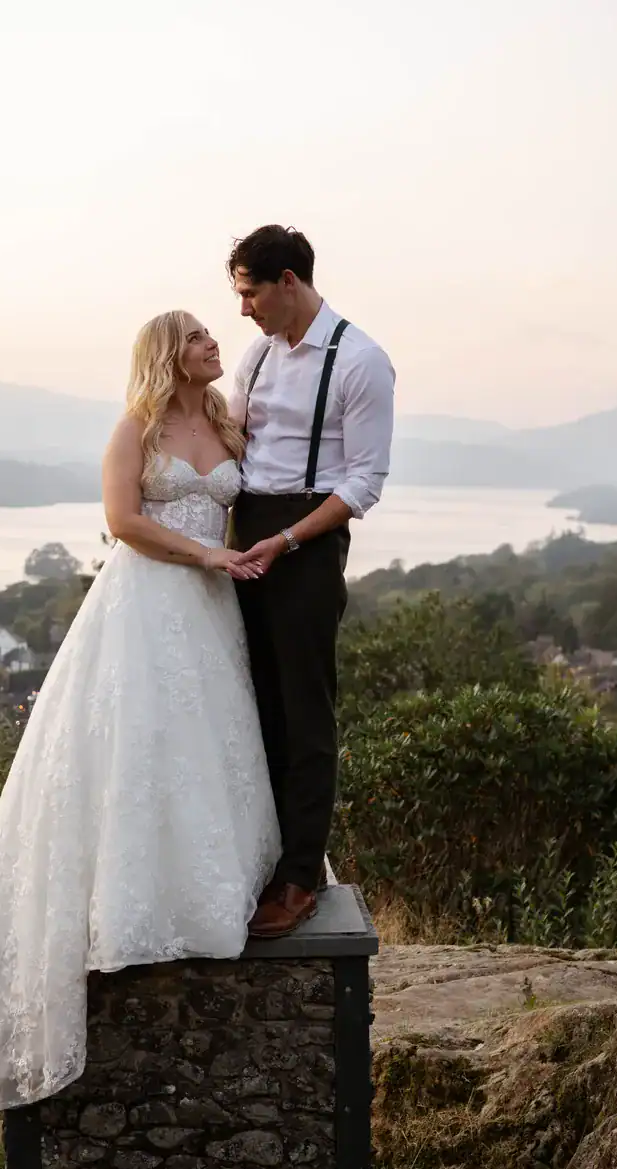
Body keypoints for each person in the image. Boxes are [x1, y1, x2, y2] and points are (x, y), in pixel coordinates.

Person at [0, 310, 281, 1148]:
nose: (211, 343)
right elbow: (123, 520)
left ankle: (215, 886)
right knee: (140, 744)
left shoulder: (230, 420)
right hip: (149, 601)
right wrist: (204, 556)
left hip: (216, 608)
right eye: (196, 335)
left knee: (211, 747)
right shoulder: (136, 428)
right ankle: (126, 902)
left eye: (211, 335)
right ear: (169, 353)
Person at [228, 225, 396, 939]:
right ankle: (259, 859)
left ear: (287, 281)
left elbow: (364, 482)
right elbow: (235, 436)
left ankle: (300, 874)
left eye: (249, 292)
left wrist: (290, 537)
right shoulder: (256, 355)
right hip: (246, 533)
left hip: (306, 539)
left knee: (306, 710)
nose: (243, 309)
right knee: (253, 703)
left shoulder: (360, 360)